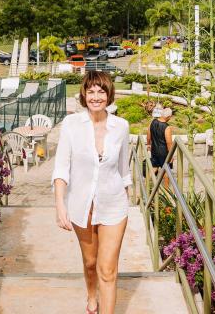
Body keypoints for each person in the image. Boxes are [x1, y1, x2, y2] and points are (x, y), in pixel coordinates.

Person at [52, 70, 131, 314]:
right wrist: (60, 205)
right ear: (84, 95)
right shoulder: (71, 124)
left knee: (107, 270)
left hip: (114, 205)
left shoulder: (121, 126)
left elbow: (123, 170)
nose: (96, 97)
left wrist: (127, 201)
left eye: (101, 91)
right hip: (81, 206)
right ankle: (91, 295)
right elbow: (61, 168)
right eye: (91, 91)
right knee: (90, 262)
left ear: (109, 95)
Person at [148, 105, 176, 174]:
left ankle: (147, 180)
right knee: (166, 171)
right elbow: (169, 143)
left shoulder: (153, 122)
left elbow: (148, 135)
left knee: (154, 167)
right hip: (164, 153)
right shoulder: (167, 127)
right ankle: (166, 182)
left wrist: (148, 144)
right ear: (168, 117)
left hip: (154, 150)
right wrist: (171, 156)